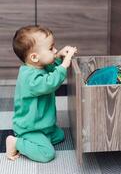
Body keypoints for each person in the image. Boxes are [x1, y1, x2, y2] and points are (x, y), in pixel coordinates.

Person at [6, 25, 77, 162]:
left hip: (44, 124)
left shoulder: (39, 66)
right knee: (47, 154)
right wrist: (64, 65)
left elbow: (51, 67)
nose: (54, 50)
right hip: (30, 128)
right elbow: (50, 83)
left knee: (60, 135)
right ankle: (16, 142)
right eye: (51, 49)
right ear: (34, 57)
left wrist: (58, 56)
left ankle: (42, 139)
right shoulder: (29, 78)